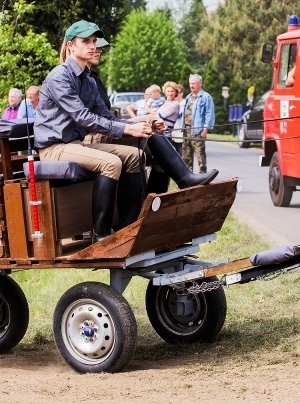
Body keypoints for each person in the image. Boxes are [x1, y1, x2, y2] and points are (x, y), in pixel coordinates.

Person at [35, 20, 218, 241]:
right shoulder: (60, 76)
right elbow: (82, 116)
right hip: (55, 148)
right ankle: (100, 235)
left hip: (75, 145)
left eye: (94, 41)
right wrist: (129, 128)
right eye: (86, 41)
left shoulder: (89, 80)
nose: (93, 46)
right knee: (111, 163)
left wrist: (139, 127)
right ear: (71, 45)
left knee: (135, 155)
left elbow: (106, 117)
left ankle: (130, 224)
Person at [145, 81, 183, 193]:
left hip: (165, 138)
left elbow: (159, 116)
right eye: (168, 91)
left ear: (176, 93)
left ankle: (159, 191)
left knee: (162, 167)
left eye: (172, 91)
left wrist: (148, 113)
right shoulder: (165, 102)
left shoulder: (175, 104)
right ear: (165, 91)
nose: (170, 93)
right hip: (158, 136)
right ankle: (151, 190)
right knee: (157, 164)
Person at [179, 74, 216, 174]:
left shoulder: (206, 97)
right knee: (186, 156)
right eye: (190, 83)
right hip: (186, 130)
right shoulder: (188, 97)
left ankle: (203, 176)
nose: (191, 85)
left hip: (197, 130)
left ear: (200, 84)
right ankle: (188, 177)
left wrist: (205, 129)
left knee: (200, 155)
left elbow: (209, 113)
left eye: (194, 83)